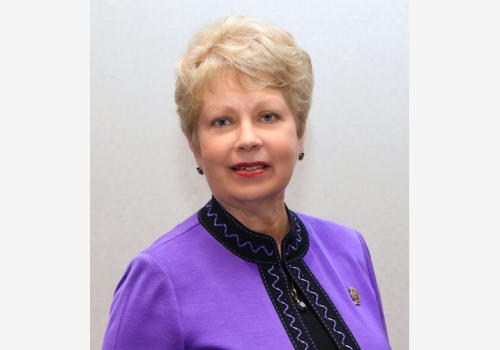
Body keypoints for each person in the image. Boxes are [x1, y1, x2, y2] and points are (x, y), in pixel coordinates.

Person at [102, 15, 391, 350]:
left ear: (299, 132)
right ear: (195, 146)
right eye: (222, 121)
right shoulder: (158, 277)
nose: (248, 139)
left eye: (267, 116)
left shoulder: (349, 249)